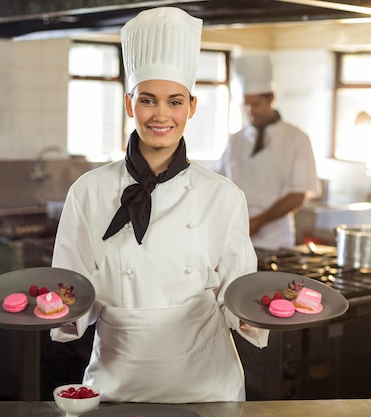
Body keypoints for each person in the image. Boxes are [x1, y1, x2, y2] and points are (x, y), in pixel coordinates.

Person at [49, 7, 269, 403]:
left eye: (175, 101)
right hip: (116, 385)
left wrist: (264, 311)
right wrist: (50, 310)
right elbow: (70, 290)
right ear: (130, 104)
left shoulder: (224, 196)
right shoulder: (89, 191)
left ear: (192, 107)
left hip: (206, 386)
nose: (162, 115)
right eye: (148, 100)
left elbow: (238, 291)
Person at [215, 53, 319, 251]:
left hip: (275, 242)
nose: (250, 111)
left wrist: (257, 222)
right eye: (245, 104)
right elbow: (217, 183)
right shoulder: (235, 139)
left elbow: (298, 195)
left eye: (256, 104)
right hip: (233, 238)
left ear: (271, 98)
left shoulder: (297, 138)